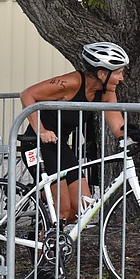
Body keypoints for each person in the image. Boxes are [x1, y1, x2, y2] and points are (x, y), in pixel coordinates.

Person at [19, 42, 131, 224]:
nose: (121, 78)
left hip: (60, 146)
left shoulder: (106, 92)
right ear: (102, 73)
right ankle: (43, 247)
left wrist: (137, 137)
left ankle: (47, 234)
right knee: (62, 209)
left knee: (83, 208)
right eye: (118, 73)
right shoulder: (71, 83)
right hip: (37, 145)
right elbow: (27, 94)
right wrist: (42, 130)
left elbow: (117, 125)